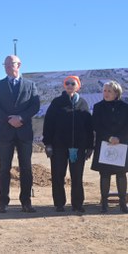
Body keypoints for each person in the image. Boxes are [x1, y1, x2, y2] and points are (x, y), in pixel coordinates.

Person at [0, 55, 40, 213]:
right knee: (4, 168)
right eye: (5, 64)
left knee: (26, 168)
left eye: (10, 64)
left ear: (19, 65)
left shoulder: (30, 85)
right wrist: (8, 119)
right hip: (5, 132)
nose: (7, 67)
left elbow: (35, 106)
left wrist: (21, 118)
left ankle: (26, 201)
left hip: (24, 132)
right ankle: (3, 202)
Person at [42, 76, 94, 213]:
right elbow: (48, 124)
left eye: (73, 83)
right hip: (59, 146)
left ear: (78, 86)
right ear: (64, 86)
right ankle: (59, 204)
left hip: (78, 147)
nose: (70, 85)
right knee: (58, 175)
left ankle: (77, 204)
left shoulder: (83, 103)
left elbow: (89, 127)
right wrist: (48, 144)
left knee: (77, 176)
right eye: (67, 83)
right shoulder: (56, 103)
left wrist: (90, 146)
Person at [91, 81, 128, 213]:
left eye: (109, 91)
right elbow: (96, 125)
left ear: (116, 93)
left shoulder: (125, 107)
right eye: (104, 91)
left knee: (121, 174)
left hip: (121, 145)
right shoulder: (98, 107)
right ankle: (104, 204)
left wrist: (120, 138)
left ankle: (123, 204)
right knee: (104, 174)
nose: (106, 93)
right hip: (104, 144)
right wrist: (109, 138)